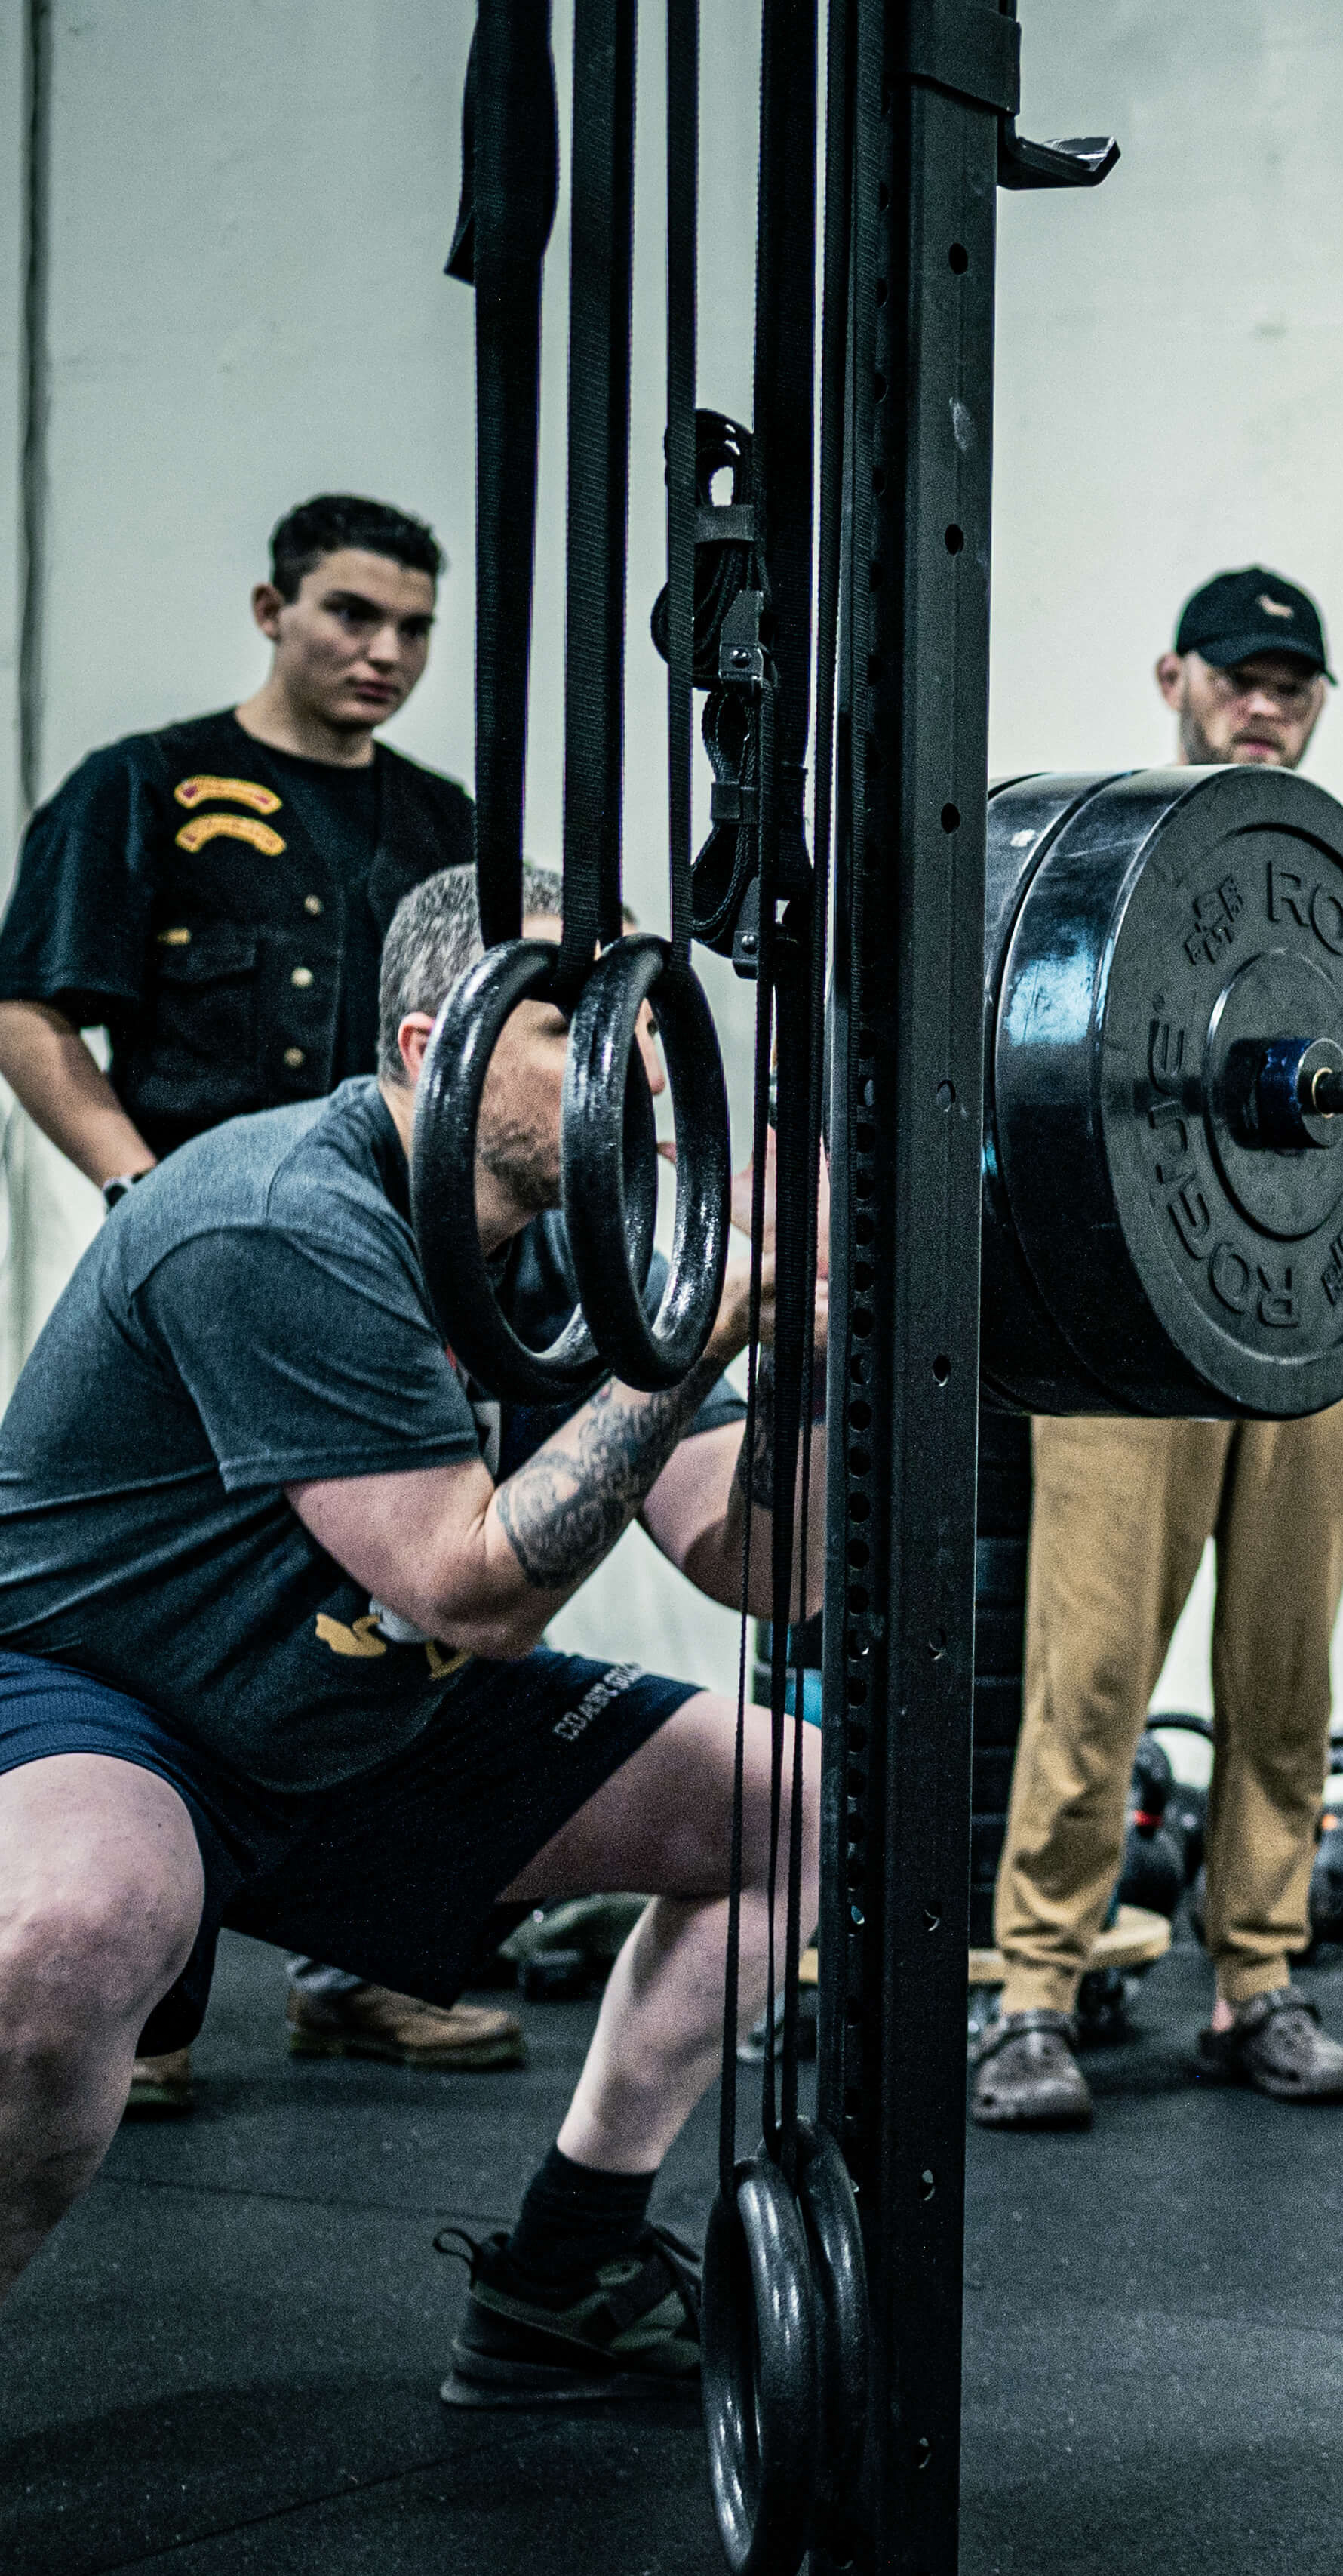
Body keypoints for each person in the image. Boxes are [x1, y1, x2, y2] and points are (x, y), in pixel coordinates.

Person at [0, 862, 813, 2410]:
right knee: (79, 1923)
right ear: (435, 1041)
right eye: (569, 1023)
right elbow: (469, 1586)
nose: (628, 1062)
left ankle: (565, 2275)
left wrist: (824, 1344)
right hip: (112, 1702)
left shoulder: (587, 1234)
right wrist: (694, 1337)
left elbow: (759, 1561)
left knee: (793, 1801)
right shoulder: (278, 1213)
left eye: (628, 1021)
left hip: (358, 1706)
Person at [0, 492, 512, 2108]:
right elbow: (30, 1010)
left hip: (401, 1281)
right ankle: (139, 1998)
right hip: (200, 1282)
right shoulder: (140, 788)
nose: (386, 653)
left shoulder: (445, 828)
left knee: (410, 1600)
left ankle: (361, 1970)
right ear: (269, 608)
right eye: (353, 615)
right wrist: (142, 1184)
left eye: (416, 627)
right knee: (172, 1616)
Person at [970, 566, 1343, 2130]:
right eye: (1240, 678)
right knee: (1094, 1662)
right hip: (1129, 1327)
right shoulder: (1100, 868)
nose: (1266, 706)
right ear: (1173, 679)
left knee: (1287, 1664)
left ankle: (1255, 1980)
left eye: (1294, 684)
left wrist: (1329, 1115)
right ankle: (1033, 1994)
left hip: (1306, 1331)